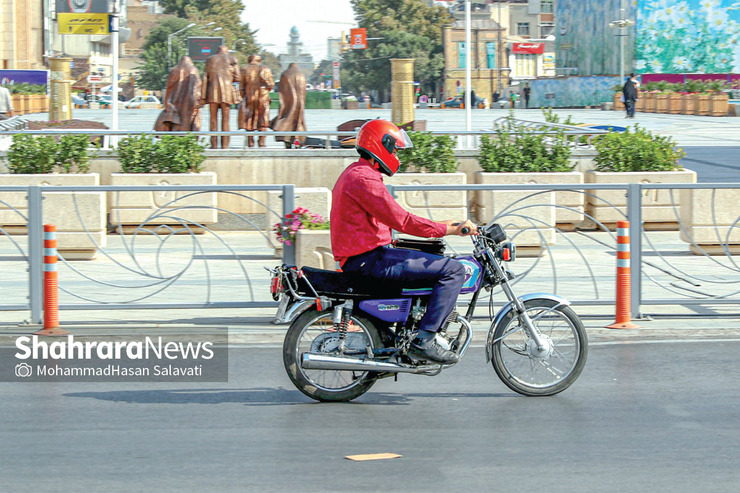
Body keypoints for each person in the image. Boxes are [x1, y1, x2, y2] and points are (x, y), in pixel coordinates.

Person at [330, 119, 477, 364]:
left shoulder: (358, 173)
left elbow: (386, 221)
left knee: (434, 260)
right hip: (368, 260)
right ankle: (425, 340)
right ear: (381, 146)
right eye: (395, 149)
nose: (397, 154)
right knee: (452, 270)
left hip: (367, 256)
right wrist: (448, 228)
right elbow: (402, 220)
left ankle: (411, 332)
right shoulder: (364, 180)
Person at [201, 45, 241, 149]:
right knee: (226, 120)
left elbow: (205, 78)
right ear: (227, 51)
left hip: (212, 93)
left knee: (213, 120)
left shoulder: (210, 59)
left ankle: (213, 145)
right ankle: (225, 145)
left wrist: (203, 96)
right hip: (227, 93)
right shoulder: (232, 59)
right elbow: (238, 77)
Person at [154, 56, 202, 132]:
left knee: (175, 124)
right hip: (189, 103)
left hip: (174, 102)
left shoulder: (174, 70)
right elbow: (196, 87)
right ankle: (186, 142)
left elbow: (169, 87)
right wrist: (197, 102)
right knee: (187, 125)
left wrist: (167, 103)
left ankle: (174, 141)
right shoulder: (194, 70)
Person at [238, 54, 274, 147]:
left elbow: (241, 87)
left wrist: (243, 97)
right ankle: (261, 142)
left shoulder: (244, 69)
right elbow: (271, 85)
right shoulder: (266, 69)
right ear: (259, 60)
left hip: (249, 97)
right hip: (263, 97)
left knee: (249, 118)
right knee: (263, 118)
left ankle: (250, 141)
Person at [269, 62, 304, 148]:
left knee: (287, 116)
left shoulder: (285, 74)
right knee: (298, 118)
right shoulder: (301, 75)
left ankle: (287, 140)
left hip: (288, 103)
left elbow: (282, 93)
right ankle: (297, 139)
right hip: (299, 104)